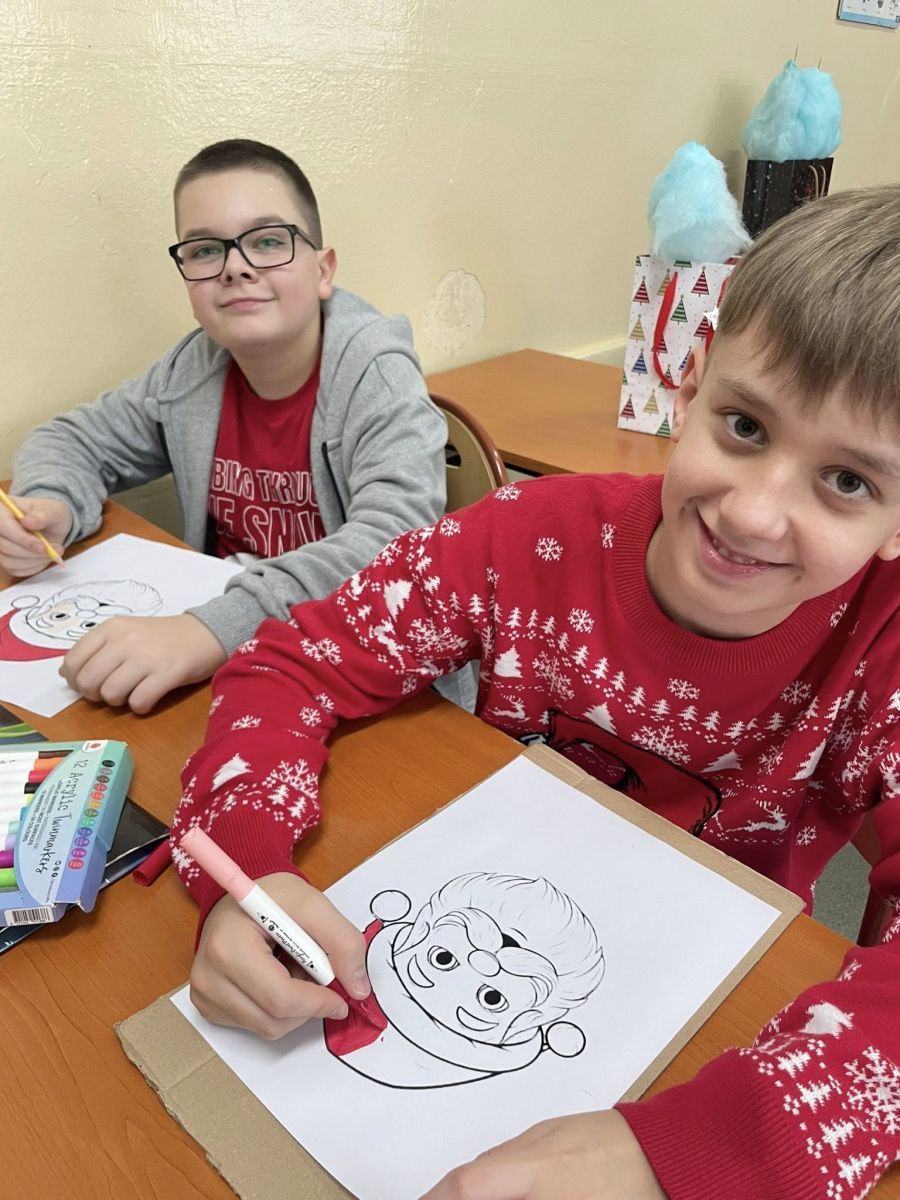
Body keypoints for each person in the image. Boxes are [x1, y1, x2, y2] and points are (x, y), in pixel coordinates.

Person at [172, 184, 900, 1199]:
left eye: (848, 482)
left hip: (715, 1018)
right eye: (743, 425)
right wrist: (244, 869)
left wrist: (708, 1154)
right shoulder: (527, 536)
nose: (753, 513)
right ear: (688, 387)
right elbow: (292, 663)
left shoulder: (882, 649)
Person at [1, 138, 448, 713]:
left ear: (322, 270)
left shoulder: (375, 375)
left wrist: (213, 629)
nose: (235, 267)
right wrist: (53, 505)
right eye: (205, 250)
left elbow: (396, 542)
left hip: (356, 664)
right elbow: (72, 439)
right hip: (231, 657)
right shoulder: (193, 368)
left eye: (268, 241)